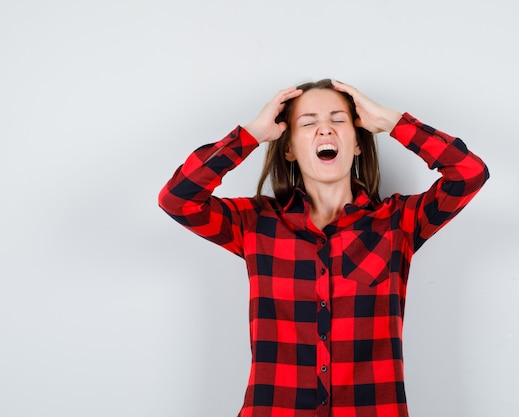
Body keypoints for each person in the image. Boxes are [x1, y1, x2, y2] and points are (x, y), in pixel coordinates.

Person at [158, 79, 489, 417]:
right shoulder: (255, 223)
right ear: (288, 148)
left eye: (338, 120)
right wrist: (252, 134)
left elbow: (468, 174)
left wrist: (392, 123)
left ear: (358, 143)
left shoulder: (398, 223)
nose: (325, 130)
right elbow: (177, 199)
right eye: (309, 122)